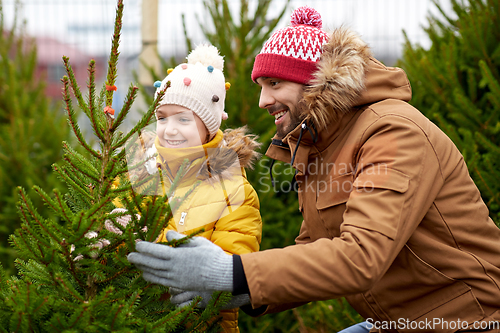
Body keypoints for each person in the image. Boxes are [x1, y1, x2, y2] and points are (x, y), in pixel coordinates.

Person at [128, 6, 500, 333]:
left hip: (467, 321)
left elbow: (361, 256)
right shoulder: (321, 145)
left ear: (316, 83)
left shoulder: (394, 132)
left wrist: (230, 273)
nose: (263, 100)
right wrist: (239, 295)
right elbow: (315, 247)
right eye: (261, 86)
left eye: (274, 83)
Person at [116, 44, 262, 333]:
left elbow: (226, 271)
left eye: (183, 119)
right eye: (162, 118)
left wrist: (140, 234)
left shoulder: (234, 191)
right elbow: (113, 222)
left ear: (208, 126)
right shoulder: (138, 172)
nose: (169, 129)